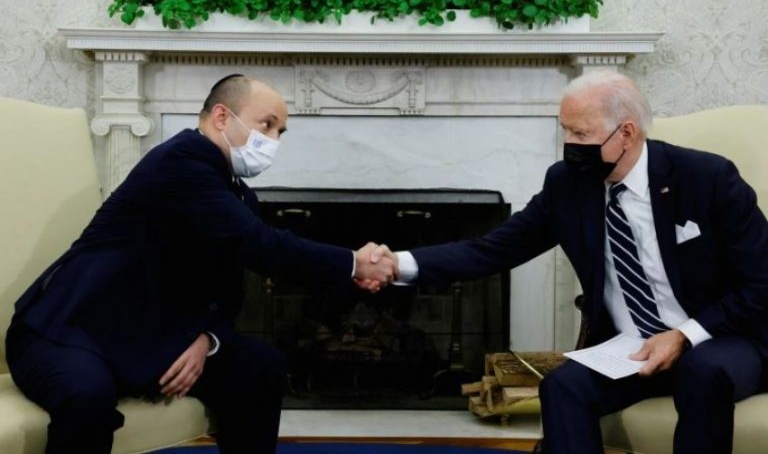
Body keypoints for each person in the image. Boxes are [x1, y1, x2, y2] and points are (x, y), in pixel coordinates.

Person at [365, 71, 768, 453]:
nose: (569, 144)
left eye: (581, 134)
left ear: (626, 133)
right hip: (633, 347)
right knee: (563, 387)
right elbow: (492, 249)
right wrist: (398, 264)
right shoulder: (568, 185)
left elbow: (762, 281)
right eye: (565, 131)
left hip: (722, 338)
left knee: (702, 371)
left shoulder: (706, 178)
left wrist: (683, 336)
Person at [5, 74, 397, 454]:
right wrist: (354, 264)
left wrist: (207, 338)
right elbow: (262, 246)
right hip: (68, 331)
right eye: (267, 125)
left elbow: (229, 290)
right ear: (222, 116)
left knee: (261, 367)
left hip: (146, 335)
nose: (274, 141)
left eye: (280, 132)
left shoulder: (238, 195)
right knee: (86, 399)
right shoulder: (180, 162)